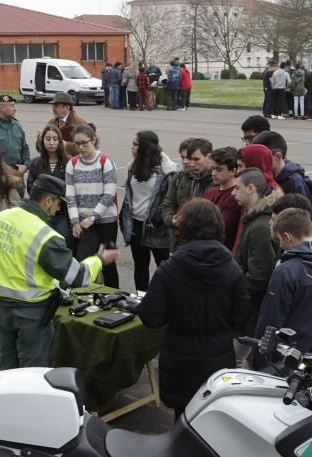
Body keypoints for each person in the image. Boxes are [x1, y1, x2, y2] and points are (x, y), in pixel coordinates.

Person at [0, 174, 119, 370]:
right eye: (59, 204)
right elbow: (78, 277)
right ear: (48, 200)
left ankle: (7, 400)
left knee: (6, 366)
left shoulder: (0, 218)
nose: (58, 209)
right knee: (32, 372)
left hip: (2, 310)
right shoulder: (45, 236)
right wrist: (99, 260)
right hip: (32, 315)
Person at [137, 198, 248, 420]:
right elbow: (241, 317)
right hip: (218, 359)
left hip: (179, 361)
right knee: (212, 421)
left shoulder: (169, 270)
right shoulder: (232, 268)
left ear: (185, 227)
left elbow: (150, 317)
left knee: (182, 422)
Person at [255, 208, 312, 358]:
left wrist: (261, 356)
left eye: (279, 240)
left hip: (290, 357)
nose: (280, 246)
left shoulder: (286, 271)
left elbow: (272, 319)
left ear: (287, 237)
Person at [120, 131, 177, 291]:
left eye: (135, 144)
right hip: (136, 226)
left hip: (156, 227)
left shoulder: (166, 171)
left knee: (163, 269)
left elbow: (169, 201)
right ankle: (140, 299)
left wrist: (157, 218)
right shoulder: (134, 166)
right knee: (140, 268)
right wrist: (124, 222)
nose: (132, 147)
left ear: (145, 147)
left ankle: (161, 301)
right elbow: (129, 197)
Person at [66, 124, 119, 287]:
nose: (80, 148)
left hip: (105, 221)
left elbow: (109, 194)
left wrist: (94, 217)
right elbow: (70, 195)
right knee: (82, 261)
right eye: (77, 144)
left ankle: (114, 296)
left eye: (84, 143)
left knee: (107, 262)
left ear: (94, 140)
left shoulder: (105, 161)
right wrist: (75, 221)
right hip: (82, 222)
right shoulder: (72, 164)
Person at [233, 167, 281, 334]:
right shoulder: (254, 218)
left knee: (238, 358)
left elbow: (259, 276)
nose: (233, 193)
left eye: (237, 188)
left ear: (250, 188)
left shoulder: (260, 226)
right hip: (247, 309)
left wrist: (233, 292)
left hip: (250, 313)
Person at [27, 125, 71, 245]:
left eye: (55, 139)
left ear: (59, 141)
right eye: (48, 139)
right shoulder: (35, 163)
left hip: (62, 213)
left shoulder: (68, 162)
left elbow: (71, 188)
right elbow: (31, 188)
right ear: (42, 141)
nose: (51, 142)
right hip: (42, 214)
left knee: (61, 243)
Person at [162, 138, 213, 230]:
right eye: (183, 158)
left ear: (208, 157)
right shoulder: (179, 177)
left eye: (195, 159)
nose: (186, 162)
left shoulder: (216, 180)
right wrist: (172, 220)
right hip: (180, 235)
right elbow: (168, 204)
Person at [252, 131, 309, 197]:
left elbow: (301, 206)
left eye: (262, 158)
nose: (258, 162)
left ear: (278, 156)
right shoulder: (266, 176)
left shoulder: (295, 181)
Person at [205, 147, 241, 250]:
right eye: (212, 168)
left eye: (219, 169)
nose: (213, 173)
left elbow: (221, 227)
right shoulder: (209, 192)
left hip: (222, 250)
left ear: (233, 171)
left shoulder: (235, 196)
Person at [36, 92, 87, 157]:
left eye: (56, 106)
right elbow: (41, 150)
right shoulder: (51, 123)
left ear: (67, 108)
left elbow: (88, 146)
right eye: (53, 105)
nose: (53, 108)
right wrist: (40, 142)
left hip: (74, 163)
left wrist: (67, 146)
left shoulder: (80, 123)